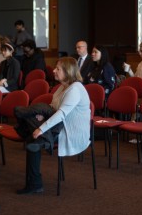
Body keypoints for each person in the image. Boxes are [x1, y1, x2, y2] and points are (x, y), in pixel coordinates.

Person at [16, 57, 90, 194]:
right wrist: (42, 117)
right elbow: (53, 108)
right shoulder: (62, 87)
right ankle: (43, 139)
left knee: (29, 122)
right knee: (37, 117)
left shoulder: (75, 89)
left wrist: (41, 128)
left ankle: (35, 183)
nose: (54, 71)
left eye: (58, 69)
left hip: (69, 131)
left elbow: (61, 113)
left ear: (68, 71)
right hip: (58, 125)